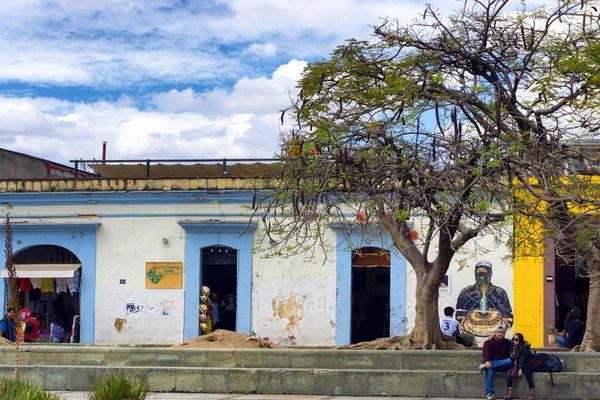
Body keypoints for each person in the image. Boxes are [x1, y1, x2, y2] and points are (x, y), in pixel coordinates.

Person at [456, 261, 513, 337]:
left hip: (493, 331)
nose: (481, 273)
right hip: (471, 329)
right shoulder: (466, 292)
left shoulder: (500, 292)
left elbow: (508, 316)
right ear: (475, 273)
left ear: (490, 273)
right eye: (478, 271)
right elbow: (459, 314)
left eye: (484, 271)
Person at [480, 325, 512, 400]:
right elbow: (486, 353)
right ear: (495, 333)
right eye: (498, 332)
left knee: (509, 361)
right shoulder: (488, 342)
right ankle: (490, 393)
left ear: (504, 333)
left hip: (503, 364)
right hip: (490, 363)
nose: (500, 334)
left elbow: (517, 342)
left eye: (502, 332)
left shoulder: (507, 342)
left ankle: (484, 366)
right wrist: (487, 361)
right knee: (490, 370)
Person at [504, 332, 535, 400]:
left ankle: (532, 393)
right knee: (509, 371)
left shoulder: (525, 347)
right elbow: (504, 340)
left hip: (526, 362)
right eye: (513, 339)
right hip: (516, 363)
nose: (514, 341)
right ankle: (510, 393)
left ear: (520, 340)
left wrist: (520, 369)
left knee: (528, 372)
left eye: (516, 339)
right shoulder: (512, 346)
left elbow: (523, 358)